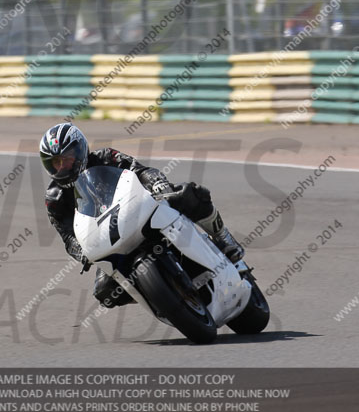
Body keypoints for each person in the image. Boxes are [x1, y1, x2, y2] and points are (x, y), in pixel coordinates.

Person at [40, 123, 244, 309]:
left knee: (188, 194)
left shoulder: (106, 157)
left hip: (137, 209)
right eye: (55, 162)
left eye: (67, 158)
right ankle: (157, 295)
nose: (62, 166)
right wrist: (81, 252)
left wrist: (157, 183)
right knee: (105, 291)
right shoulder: (55, 198)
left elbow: (140, 170)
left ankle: (223, 237)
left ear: (80, 150)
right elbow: (68, 236)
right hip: (107, 238)